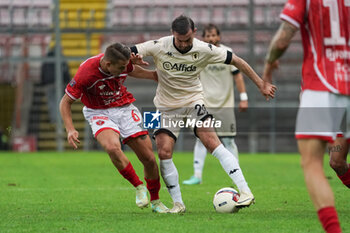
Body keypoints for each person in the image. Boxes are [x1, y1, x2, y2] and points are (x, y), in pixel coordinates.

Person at [131, 15, 276, 213]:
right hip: (165, 106)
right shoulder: (158, 45)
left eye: (188, 40)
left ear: (195, 32)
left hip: (193, 101)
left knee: (211, 140)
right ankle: (178, 204)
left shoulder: (204, 48)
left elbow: (238, 61)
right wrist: (132, 59)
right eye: (179, 40)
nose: (183, 44)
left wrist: (260, 84)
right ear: (172, 33)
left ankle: (245, 191)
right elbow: (122, 53)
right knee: (164, 152)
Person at [262, 0, 349, 232]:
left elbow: (283, 38)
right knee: (336, 161)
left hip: (322, 86)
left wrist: (270, 64)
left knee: (312, 163)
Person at [59, 42, 168, 213]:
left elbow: (131, 69)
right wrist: (70, 129)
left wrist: (152, 75)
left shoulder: (122, 62)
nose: (125, 69)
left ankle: (156, 201)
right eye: (121, 67)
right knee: (111, 147)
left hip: (124, 107)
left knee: (149, 159)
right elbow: (65, 101)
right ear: (108, 64)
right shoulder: (86, 73)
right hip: (98, 112)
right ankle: (139, 187)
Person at [183, 24, 248, 185]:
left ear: (218, 37)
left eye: (214, 35)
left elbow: (238, 77)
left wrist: (244, 97)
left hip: (225, 104)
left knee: (228, 141)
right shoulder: (199, 54)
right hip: (204, 104)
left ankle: (237, 174)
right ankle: (197, 176)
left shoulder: (227, 53)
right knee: (201, 139)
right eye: (208, 36)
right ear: (203, 38)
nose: (211, 38)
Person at [41, 48, 71, 124]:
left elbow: (43, 71)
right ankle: (61, 119)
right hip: (60, 83)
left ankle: (54, 119)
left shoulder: (46, 59)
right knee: (61, 101)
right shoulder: (62, 58)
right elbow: (65, 71)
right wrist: (68, 82)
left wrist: (43, 82)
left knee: (51, 102)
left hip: (48, 84)